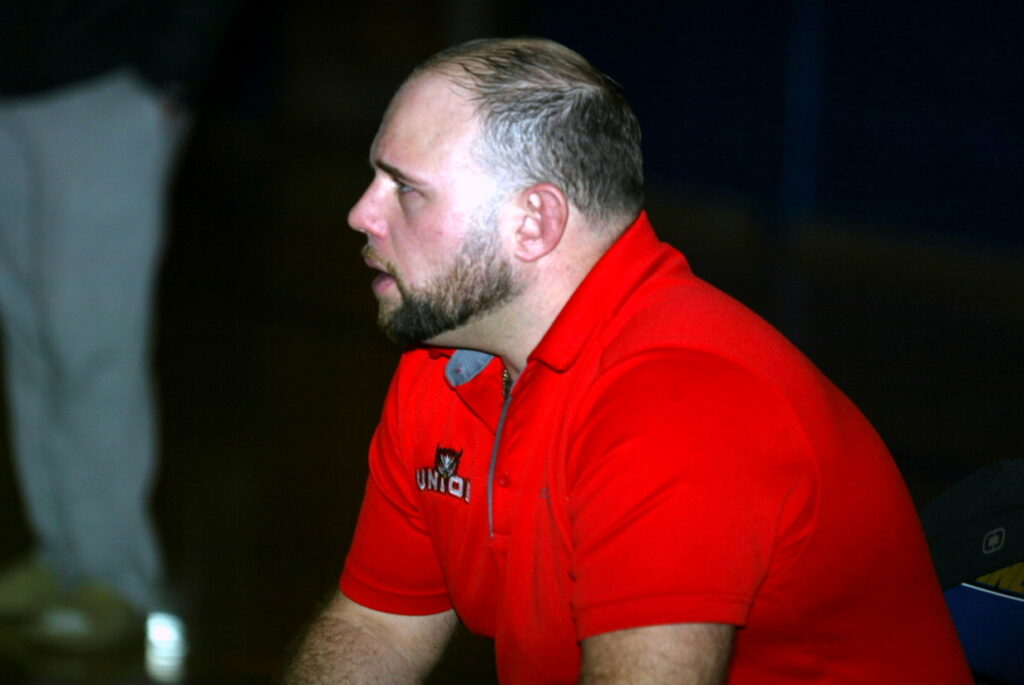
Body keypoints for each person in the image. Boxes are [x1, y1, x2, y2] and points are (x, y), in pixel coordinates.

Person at [284, 37, 972, 684]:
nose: (361, 213)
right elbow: (379, 629)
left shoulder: (682, 404)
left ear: (534, 222)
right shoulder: (447, 363)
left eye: (404, 188)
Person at [0, 0, 237, 652]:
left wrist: (171, 69)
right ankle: (61, 554)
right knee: (30, 337)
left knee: (93, 341)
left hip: (104, 78)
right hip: (13, 85)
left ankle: (114, 576)